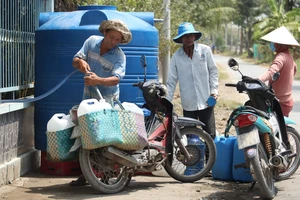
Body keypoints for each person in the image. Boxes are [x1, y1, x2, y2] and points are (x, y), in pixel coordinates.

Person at [69, 19, 132, 186]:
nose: (113, 42)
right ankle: (85, 175)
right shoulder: (90, 42)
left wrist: (98, 80)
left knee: (106, 139)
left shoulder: (119, 55)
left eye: (117, 39)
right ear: (105, 32)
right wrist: (80, 62)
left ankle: (108, 174)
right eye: (111, 37)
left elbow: (116, 79)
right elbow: (76, 60)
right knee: (86, 135)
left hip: (107, 102)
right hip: (88, 100)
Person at [166, 22, 219, 139]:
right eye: (185, 36)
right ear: (181, 39)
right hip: (188, 104)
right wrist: (167, 103)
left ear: (194, 37)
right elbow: (171, 82)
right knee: (191, 137)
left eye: (191, 35)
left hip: (206, 101)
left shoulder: (205, 51)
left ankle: (209, 157)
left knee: (210, 135)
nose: (188, 38)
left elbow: (213, 71)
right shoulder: (176, 57)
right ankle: (194, 157)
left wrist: (214, 91)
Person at [258, 26, 299, 117]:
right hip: (287, 100)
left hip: (280, 101)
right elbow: (294, 69)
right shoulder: (289, 56)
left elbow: (271, 72)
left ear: (280, 44)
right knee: (282, 128)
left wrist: (257, 80)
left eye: (275, 42)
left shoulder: (281, 57)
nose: (273, 44)